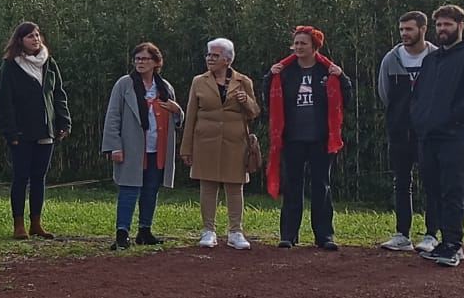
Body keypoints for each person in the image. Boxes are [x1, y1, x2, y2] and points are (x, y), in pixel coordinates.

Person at [259, 26, 351, 250]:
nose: (299, 47)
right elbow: (267, 99)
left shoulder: (327, 71)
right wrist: (270, 75)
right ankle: (289, 235)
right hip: (292, 138)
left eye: (303, 44)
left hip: (321, 138)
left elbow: (345, 97)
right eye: (296, 43)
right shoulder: (284, 71)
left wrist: (342, 76)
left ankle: (324, 236)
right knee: (292, 186)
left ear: (314, 47)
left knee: (321, 186)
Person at [410, 5, 464, 267]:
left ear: (460, 26)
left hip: (454, 136)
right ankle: (441, 242)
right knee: (433, 190)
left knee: (453, 190)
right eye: (440, 25)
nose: (443, 30)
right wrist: (420, 118)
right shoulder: (431, 60)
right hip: (428, 136)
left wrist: (450, 117)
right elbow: (420, 94)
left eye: (448, 25)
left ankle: (454, 244)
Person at [179, 38, 258, 250]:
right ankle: (208, 230)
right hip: (205, 141)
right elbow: (191, 115)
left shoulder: (244, 81)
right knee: (208, 186)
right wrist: (186, 148)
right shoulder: (199, 81)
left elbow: (255, 112)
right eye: (208, 55)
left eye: (215, 56)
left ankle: (235, 232)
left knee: (235, 187)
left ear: (227, 60)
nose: (209, 59)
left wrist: (245, 101)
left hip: (235, 142)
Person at [101, 41, 182, 249]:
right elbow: (113, 117)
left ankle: (144, 231)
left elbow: (177, 120)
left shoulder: (165, 87)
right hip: (132, 149)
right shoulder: (124, 85)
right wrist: (114, 147)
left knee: (151, 190)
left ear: (156, 62)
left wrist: (177, 110)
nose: (140, 62)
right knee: (128, 189)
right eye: (137, 59)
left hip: (158, 149)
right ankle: (122, 233)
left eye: (145, 59)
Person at [0, 21, 71, 240]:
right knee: (21, 177)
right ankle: (18, 224)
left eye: (37, 35)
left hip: (46, 129)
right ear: (20, 40)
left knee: (39, 177)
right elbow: (4, 102)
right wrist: (10, 132)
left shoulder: (49, 63)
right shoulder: (10, 66)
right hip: (21, 132)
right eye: (30, 36)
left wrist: (64, 122)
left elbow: (58, 94)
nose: (35, 39)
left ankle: (36, 223)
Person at [375, 10, 434, 253]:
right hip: (400, 131)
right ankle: (402, 234)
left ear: (423, 29)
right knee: (401, 182)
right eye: (401, 30)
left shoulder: (437, 57)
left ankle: (432, 235)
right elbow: (385, 93)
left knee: (432, 183)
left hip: (430, 131)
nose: (404, 34)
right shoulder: (391, 59)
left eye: (409, 29)